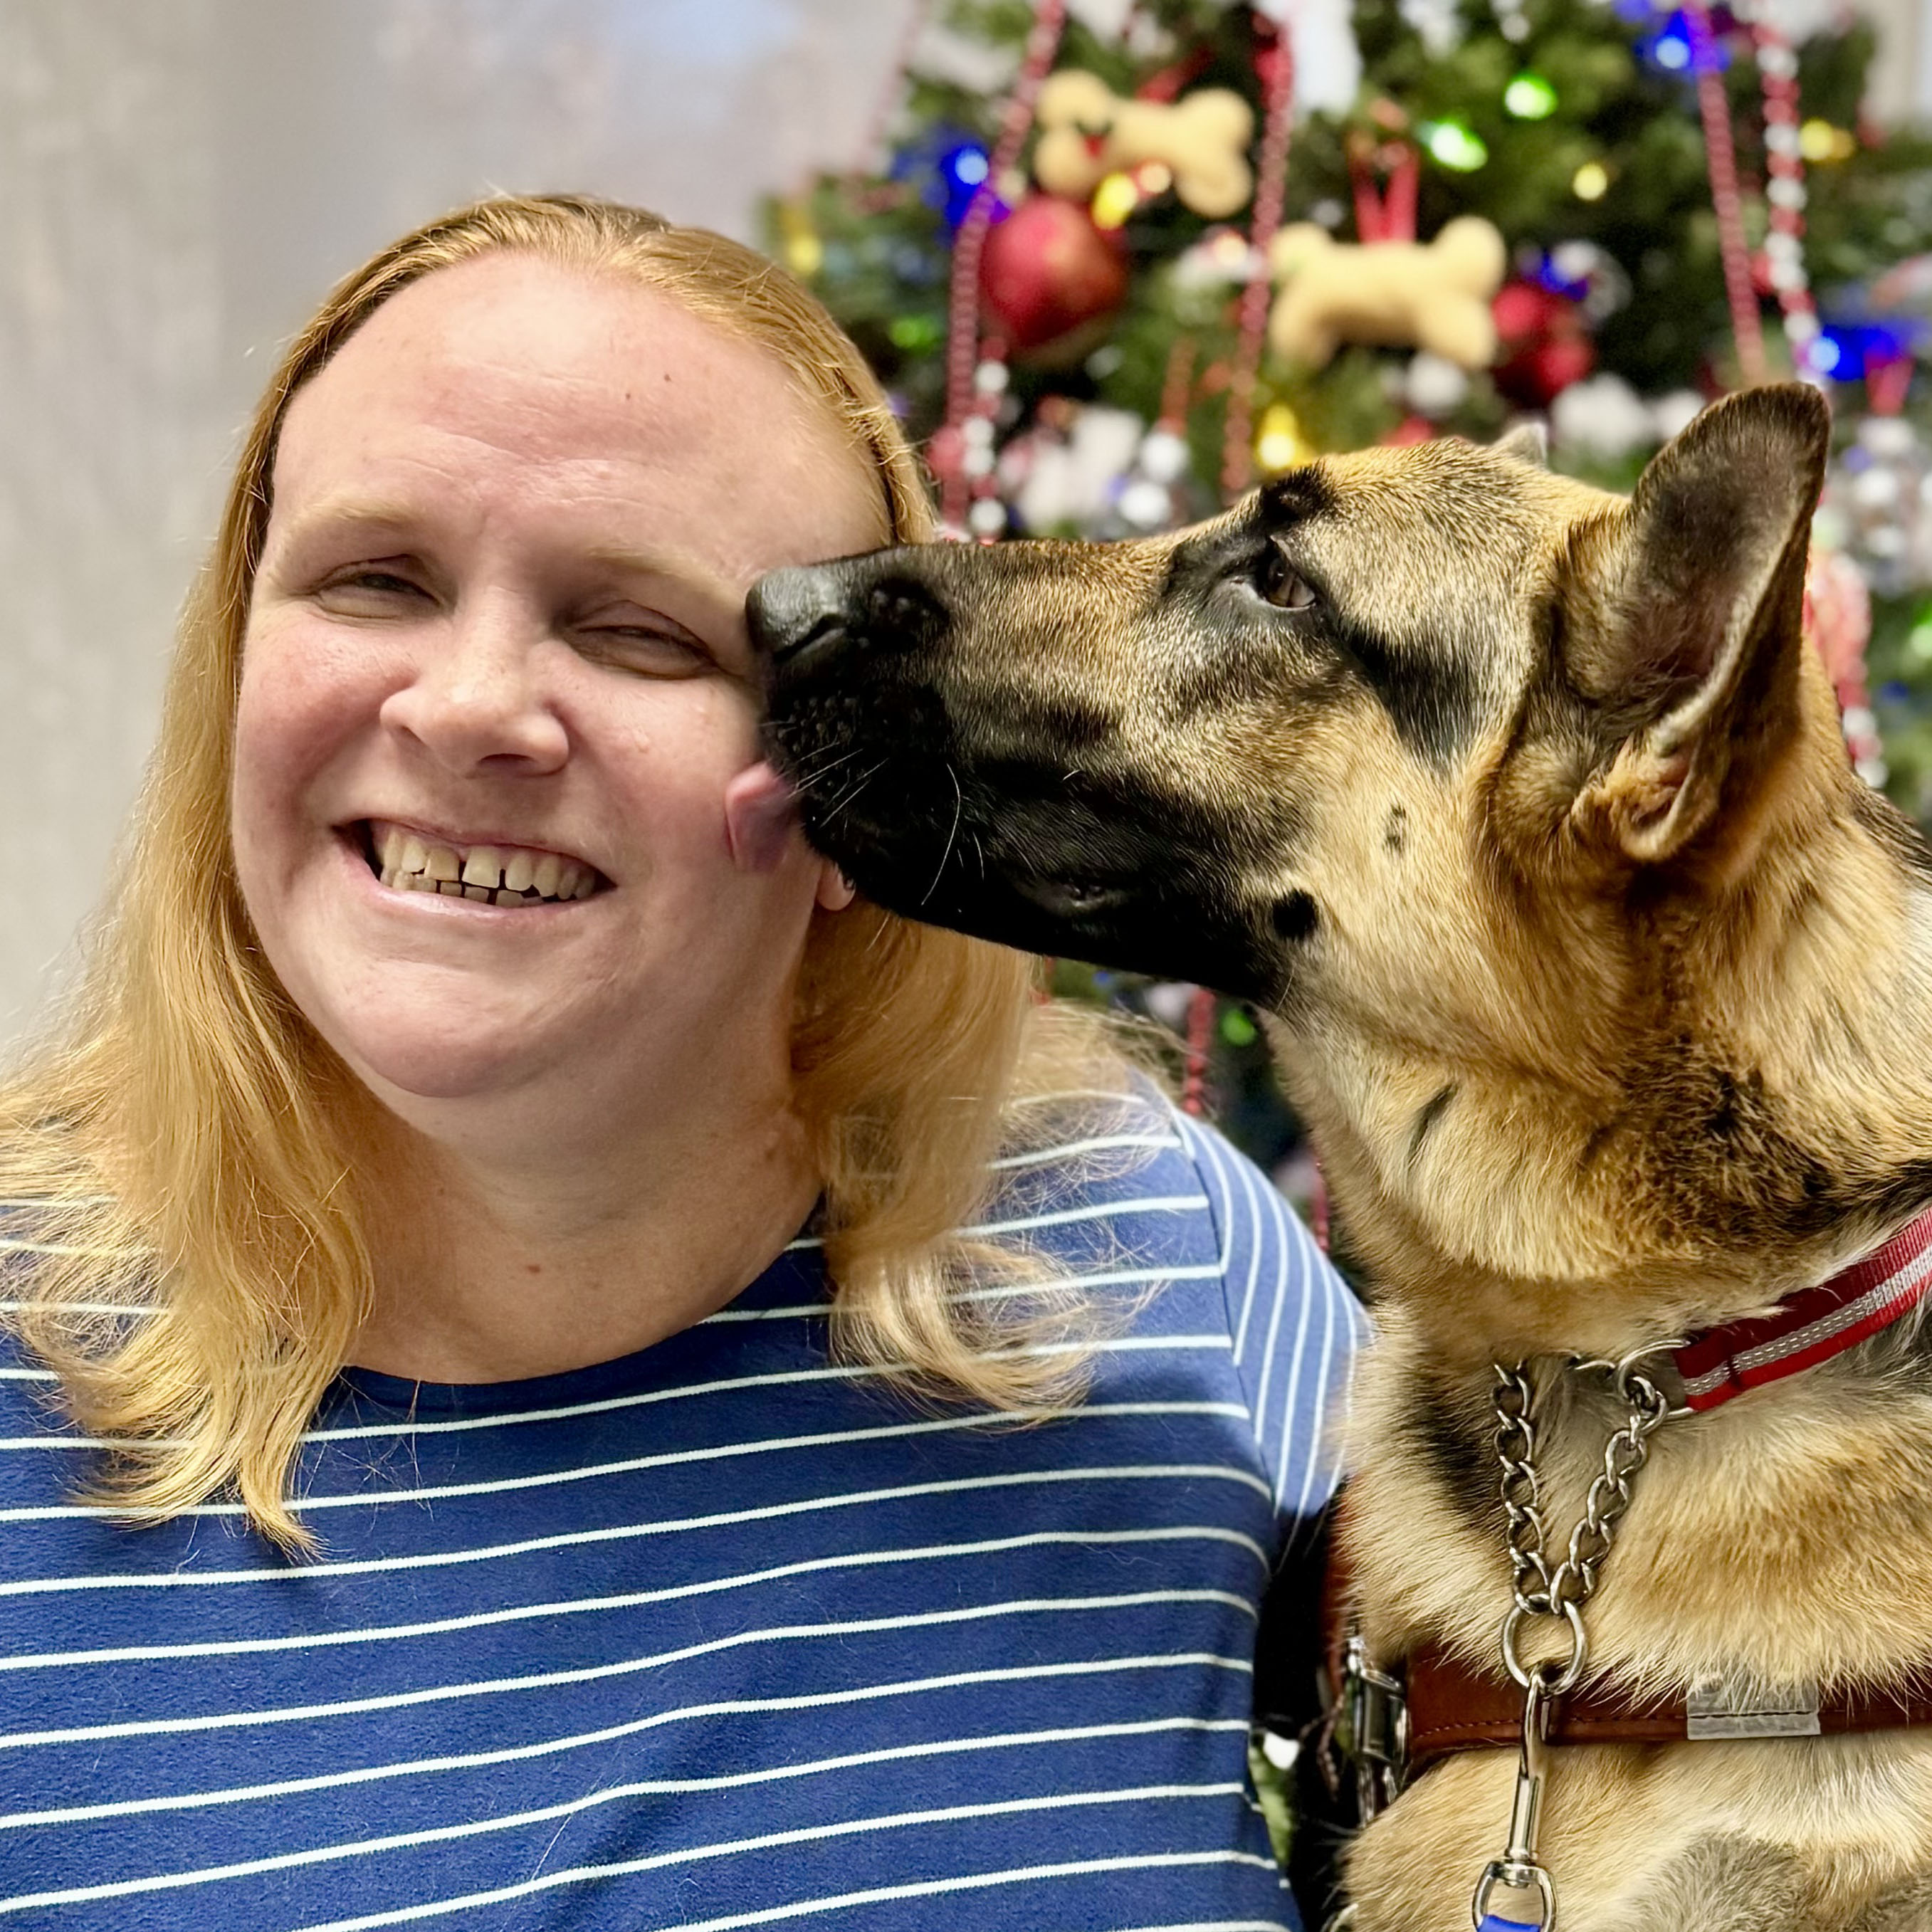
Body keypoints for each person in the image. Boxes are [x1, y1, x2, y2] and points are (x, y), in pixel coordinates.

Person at [0, 194, 1363, 1932]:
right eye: (373, 578)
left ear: (839, 790)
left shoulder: (1152, 1256)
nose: (473, 705)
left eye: (641, 630)